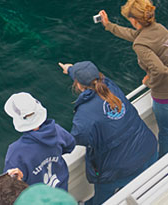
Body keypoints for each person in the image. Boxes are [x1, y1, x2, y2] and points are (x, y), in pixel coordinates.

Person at [58, 61, 158, 204]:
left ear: (78, 85)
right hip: (148, 148)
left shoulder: (84, 115)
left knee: (103, 197)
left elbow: (78, 138)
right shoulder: (110, 85)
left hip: (118, 170)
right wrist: (70, 69)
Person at [98, 0, 168, 157]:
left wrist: (149, 81)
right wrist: (108, 26)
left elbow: (160, 70)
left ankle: (163, 168)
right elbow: (134, 35)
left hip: (164, 96)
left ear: (135, 21)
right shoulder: (160, 29)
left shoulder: (140, 45)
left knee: (165, 132)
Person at [2, 92, 76, 191]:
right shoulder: (57, 130)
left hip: (38, 199)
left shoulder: (16, 152)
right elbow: (70, 145)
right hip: (61, 191)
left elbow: (10, 185)